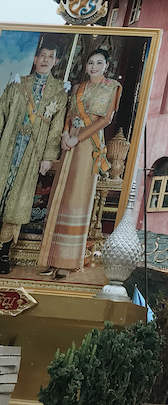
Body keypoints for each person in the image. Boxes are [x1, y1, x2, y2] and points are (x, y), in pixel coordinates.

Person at [39, 48, 121, 278]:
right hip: (70, 144)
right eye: (90, 63)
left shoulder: (112, 88)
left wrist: (78, 137)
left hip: (88, 144)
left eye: (98, 63)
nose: (94, 67)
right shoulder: (78, 88)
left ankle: (68, 261)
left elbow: (106, 119)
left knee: (77, 196)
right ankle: (51, 258)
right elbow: (68, 114)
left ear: (106, 65)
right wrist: (66, 134)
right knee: (61, 195)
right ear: (85, 66)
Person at [0, 41, 67, 274]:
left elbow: (56, 129)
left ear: (56, 62)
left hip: (32, 153)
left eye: (51, 57)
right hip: (7, 148)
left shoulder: (59, 93)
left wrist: (49, 157)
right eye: (42, 56)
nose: (46, 60)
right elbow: (2, 113)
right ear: (35, 59)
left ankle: (3, 253)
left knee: (16, 200)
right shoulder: (17, 85)